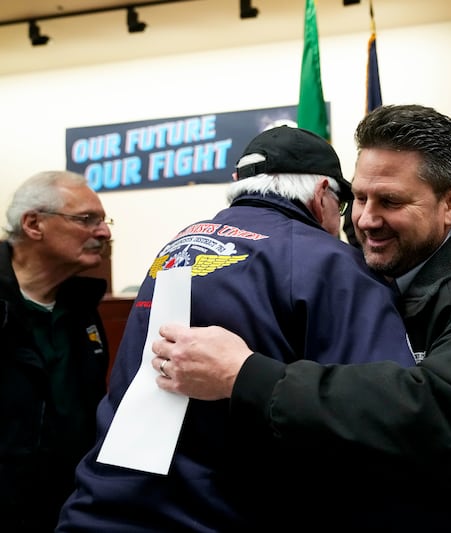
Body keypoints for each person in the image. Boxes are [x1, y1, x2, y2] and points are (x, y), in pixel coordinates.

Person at [145, 104, 451, 531]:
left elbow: (446, 413)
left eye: (391, 201)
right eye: (359, 197)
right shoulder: (351, 276)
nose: (365, 219)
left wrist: (244, 375)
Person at [57, 126, 417, 531]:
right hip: (219, 515)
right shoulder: (332, 263)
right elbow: (387, 413)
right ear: (321, 196)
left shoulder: (176, 245)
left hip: (101, 505)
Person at [0, 170, 112, 532]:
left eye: (104, 220)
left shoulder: (82, 310)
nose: (104, 232)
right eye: (87, 219)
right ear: (34, 224)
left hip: (68, 509)